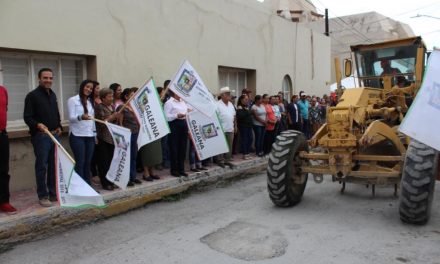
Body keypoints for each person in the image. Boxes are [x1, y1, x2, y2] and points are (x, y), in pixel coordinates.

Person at [23, 68, 63, 207]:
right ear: (39, 79)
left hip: (54, 135)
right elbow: (27, 117)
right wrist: (37, 125)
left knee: (53, 165)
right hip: (41, 137)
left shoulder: (52, 95)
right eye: (45, 78)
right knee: (42, 166)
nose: (48, 80)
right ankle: (43, 195)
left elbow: (56, 114)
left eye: (51, 78)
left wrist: (59, 126)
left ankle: (52, 192)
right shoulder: (32, 96)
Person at [67, 79, 96, 184]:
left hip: (90, 135)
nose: (88, 89)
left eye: (91, 88)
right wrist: (81, 117)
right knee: (80, 162)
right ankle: (79, 187)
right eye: (87, 87)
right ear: (82, 86)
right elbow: (71, 118)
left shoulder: (90, 102)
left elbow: (93, 120)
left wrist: (95, 135)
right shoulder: (73, 100)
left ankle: (87, 186)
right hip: (77, 135)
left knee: (88, 163)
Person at [95, 88, 121, 190]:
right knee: (104, 162)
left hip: (113, 138)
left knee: (112, 161)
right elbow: (101, 122)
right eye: (109, 96)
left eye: (112, 96)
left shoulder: (112, 106)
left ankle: (112, 180)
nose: (112, 98)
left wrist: (117, 117)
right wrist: (112, 117)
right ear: (103, 98)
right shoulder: (99, 107)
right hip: (103, 138)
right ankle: (105, 183)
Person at [117, 88, 142, 186]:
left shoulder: (134, 107)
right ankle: (125, 179)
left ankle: (133, 176)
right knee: (126, 157)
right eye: (132, 94)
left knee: (133, 156)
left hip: (135, 133)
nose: (134, 96)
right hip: (127, 135)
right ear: (126, 96)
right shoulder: (121, 107)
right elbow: (120, 123)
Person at [0, 84, 17, 214]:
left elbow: (4, 110)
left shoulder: (3, 90)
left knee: (3, 170)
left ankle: (4, 201)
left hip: (2, 135)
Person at [164, 90, 189, 177]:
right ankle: (174, 170)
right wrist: (176, 115)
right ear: (174, 93)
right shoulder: (169, 103)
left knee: (183, 147)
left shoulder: (183, 102)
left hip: (183, 124)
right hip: (174, 124)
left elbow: (186, 112)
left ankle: (181, 169)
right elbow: (166, 117)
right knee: (174, 148)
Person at [216, 87, 236, 168]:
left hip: (230, 128)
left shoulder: (231, 104)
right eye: (227, 94)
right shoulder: (217, 104)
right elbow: (215, 117)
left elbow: (234, 115)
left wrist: (235, 125)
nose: (229, 95)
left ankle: (227, 160)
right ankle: (220, 160)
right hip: (221, 129)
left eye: (229, 94)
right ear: (222, 95)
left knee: (229, 146)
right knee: (221, 146)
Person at [236, 94, 253, 160]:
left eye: (247, 99)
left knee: (250, 139)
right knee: (245, 140)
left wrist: (248, 111)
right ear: (241, 100)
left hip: (249, 126)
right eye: (246, 99)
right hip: (243, 126)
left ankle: (248, 153)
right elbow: (240, 116)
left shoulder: (246, 106)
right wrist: (248, 112)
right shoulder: (240, 107)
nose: (247, 100)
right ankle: (245, 154)